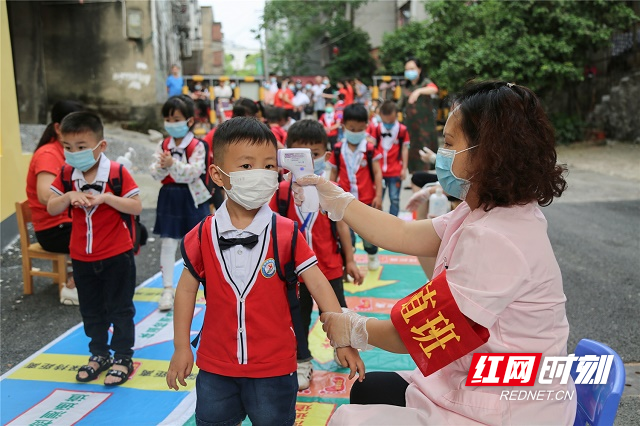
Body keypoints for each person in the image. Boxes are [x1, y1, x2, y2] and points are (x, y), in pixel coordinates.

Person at [293, 80, 574, 424]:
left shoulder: (498, 239)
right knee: (367, 389)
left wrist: (352, 327)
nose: (441, 155)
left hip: (511, 405)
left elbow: (421, 335)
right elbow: (400, 232)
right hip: (477, 379)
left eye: (449, 144)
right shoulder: (484, 212)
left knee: (347, 419)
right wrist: (335, 198)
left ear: (487, 155)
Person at [165, 117, 365, 425]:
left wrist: (343, 338)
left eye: (269, 166)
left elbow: (319, 284)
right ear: (218, 175)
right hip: (216, 368)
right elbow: (185, 291)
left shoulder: (286, 232)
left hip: (274, 369)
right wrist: (181, 347)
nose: (259, 174)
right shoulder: (201, 234)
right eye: (246, 167)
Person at [47, 111, 142, 386]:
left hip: (117, 255)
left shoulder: (116, 173)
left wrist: (107, 199)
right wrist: (67, 196)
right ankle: (99, 354)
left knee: (120, 309)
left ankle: (123, 356)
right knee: (90, 310)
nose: (74, 153)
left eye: (81, 147)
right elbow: (51, 208)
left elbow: (136, 206)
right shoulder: (66, 174)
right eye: (67, 147)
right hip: (81, 257)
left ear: (101, 146)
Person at [269, 120, 364, 391]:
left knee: (336, 313)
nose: (308, 160)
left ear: (326, 155)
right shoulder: (281, 192)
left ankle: (342, 348)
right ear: (287, 155)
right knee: (297, 317)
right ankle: (302, 361)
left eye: (315, 153)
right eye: (301, 153)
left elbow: (343, 224)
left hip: (329, 267)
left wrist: (349, 259)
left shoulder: (330, 188)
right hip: (292, 273)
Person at [150, 95, 211, 311]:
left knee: (200, 243)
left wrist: (172, 164)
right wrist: (165, 166)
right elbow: (154, 172)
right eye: (167, 118)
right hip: (168, 196)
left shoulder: (198, 145)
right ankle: (168, 289)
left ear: (189, 121)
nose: (171, 122)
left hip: (193, 198)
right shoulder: (163, 144)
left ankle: (208, 286)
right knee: (168, 242)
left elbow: (194, 172)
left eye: (176, 118)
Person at [26, 100, 84, 305]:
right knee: (96, 233)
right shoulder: (48, 154)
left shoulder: (69, 152)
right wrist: (72, 195)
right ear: (58, 128)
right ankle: (73, 286)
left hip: (67, 222)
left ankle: (89, 279)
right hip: (53, 229)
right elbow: (45, 195)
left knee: (127, 229)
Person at [328, 103, 382, 271]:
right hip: (344, 200)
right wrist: (329, 196)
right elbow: (333, 174)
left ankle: (372, 254)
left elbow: (378, 172)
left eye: (360, 129)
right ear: (344, 126)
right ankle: (349, 258)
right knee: (345, 233)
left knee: (368, 231)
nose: (355, 132)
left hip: (366, 200)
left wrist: (378, 195)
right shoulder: (338, 149)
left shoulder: (370, 149)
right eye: (352, 128)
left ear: (366, 127)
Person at [397, 57, 439, 173]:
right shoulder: (406, 87)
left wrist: (419, 91)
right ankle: (415, 179)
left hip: (425, 128)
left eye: (412, 68)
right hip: (411, 129)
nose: (409, 71)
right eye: (407, 69)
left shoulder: (425, 83)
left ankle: (425, 180)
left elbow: (434, 89)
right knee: (413, 156)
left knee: (426, 154)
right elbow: (399, 106)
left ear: (419, 69)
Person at [368, 101, 410, 217]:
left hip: (395, 170)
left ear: (396, 115)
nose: (388, 123)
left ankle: (394, 222)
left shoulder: (402, 130)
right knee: (378, 197)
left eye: (390, 121)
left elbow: (405, 149)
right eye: (385, 121)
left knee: (395, 198)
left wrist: (404, 168)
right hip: (379, 171)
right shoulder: (376, 129)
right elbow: (371, 148)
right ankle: (378, 222)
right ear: (380, 116)